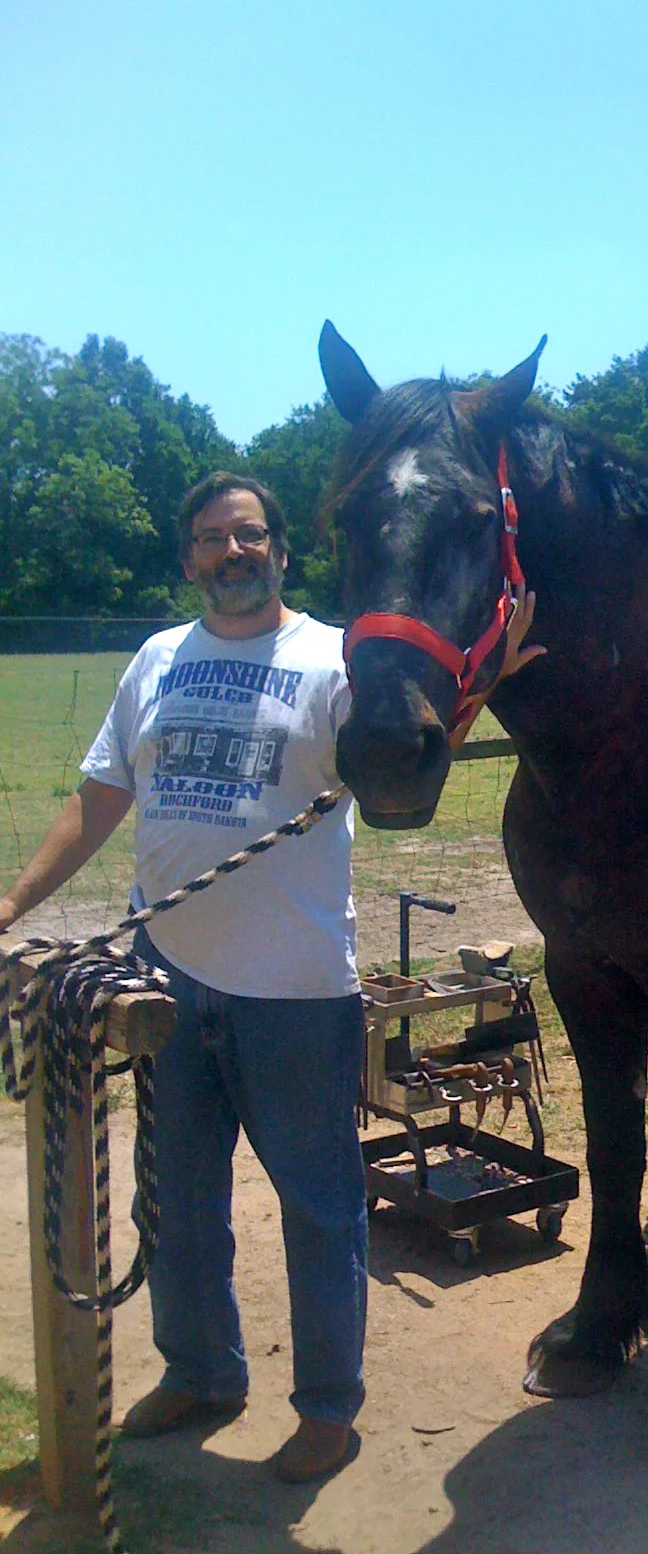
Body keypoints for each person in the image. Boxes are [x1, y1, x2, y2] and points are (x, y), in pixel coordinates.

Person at [0, 471, 365, 1484]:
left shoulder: (335, 661)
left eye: (248, 533)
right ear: (190, 558)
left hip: (295, 991)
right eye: (211, 538)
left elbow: (405, 768)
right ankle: (203, 1371)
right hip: (165, 978)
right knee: (175, 1199)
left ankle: (330, 1406)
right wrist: (11, 904)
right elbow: (100, 797)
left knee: (320, 1203)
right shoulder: (158, 659)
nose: (231, 551)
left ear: (282, 549)